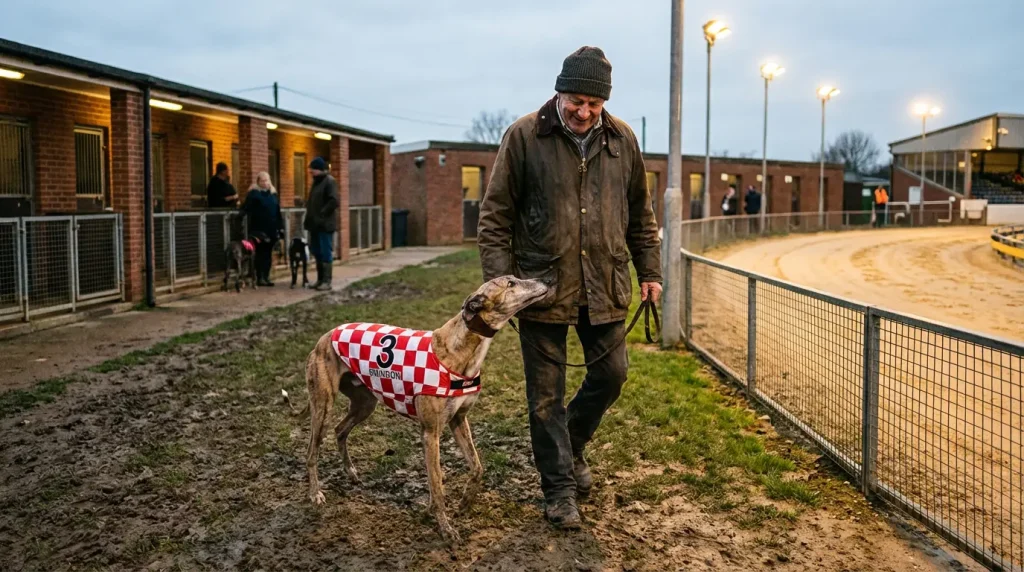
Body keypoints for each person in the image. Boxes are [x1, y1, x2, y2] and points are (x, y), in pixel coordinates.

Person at [477, 46, 662, 529]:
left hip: (604, 284)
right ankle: (558, 489)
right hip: (540, 290)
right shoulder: (523, 135)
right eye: (576, 100)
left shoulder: (623, 140)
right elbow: (494, 218)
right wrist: (500, 285)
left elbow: (641, 215)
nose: (583, 112)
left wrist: (652, 273)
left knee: (612, 375)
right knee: (544, 398)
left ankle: (573, 443)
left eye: (593, 104)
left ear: (604, 104)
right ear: (560, 92)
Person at [240, 171, 284, 286]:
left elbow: (278, 211)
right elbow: (246, 207)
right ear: (258, 182)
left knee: (268, 254)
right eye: (262, 180)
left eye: (266, 180)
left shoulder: (273, 194)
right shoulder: (254, 194)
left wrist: (281, 228)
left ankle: (266, 276)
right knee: (260, 253)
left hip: (271, 229)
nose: (264, 183)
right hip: (258, 229)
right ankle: (259, 277)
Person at [303, 157, 339, 291]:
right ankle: (320, 279)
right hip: (315, 225)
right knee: (317, 251)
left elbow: (333, 201)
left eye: (313, 169)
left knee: (325, 252)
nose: (310, 171)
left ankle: (326, 281)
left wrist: (322, 214)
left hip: (324, 225)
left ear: (319, 169)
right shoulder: (316, 183)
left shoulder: (329, 182)